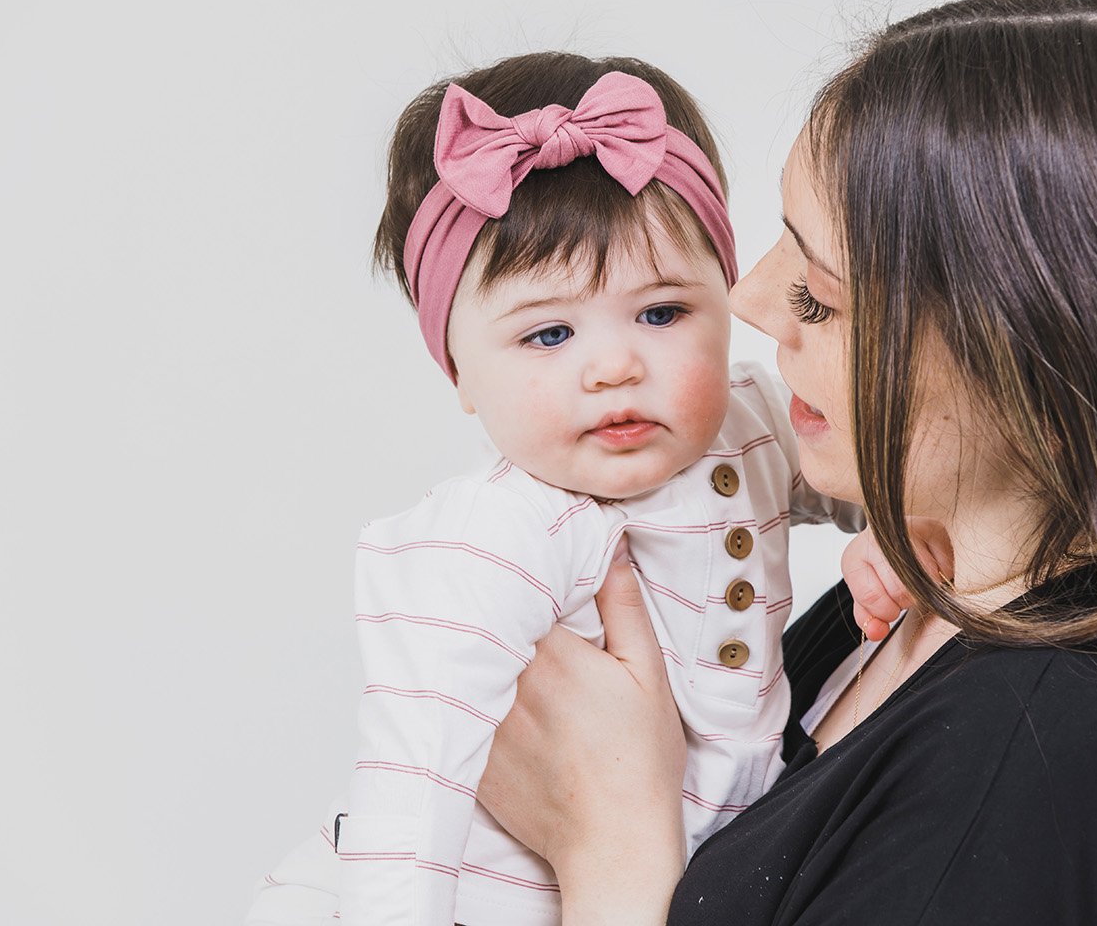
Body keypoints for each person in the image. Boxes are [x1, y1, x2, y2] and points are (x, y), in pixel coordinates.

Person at [473, 0, 1097, 925]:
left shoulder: (1029, 765)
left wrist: (611, 857)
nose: (752, 301)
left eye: (821, 296)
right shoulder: (918, 597)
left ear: (1041, 379)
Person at [244, 53, 871, 926]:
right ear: (460, 371)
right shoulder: (493, 539)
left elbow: (898, 489)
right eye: (548, 334)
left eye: (662, 314)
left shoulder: (750, 427)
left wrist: (896, 544)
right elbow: (410, 789)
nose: (614, 366)